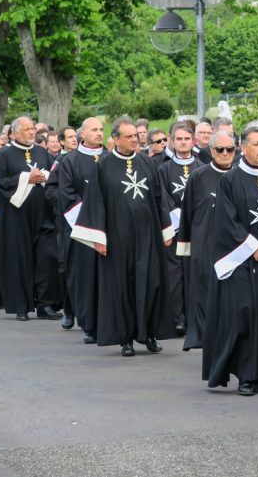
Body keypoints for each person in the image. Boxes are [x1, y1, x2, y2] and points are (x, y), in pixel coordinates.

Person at [71, 117, 176, 356]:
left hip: (148, 236)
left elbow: (160, 199)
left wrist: (165, 230)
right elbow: (95, 203)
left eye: (136, 137)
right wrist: (98, 237)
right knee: (123, 287)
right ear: (115, 139)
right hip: (118, 239)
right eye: (129, 137)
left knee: (151, 284)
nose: (135, 141)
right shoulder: (103, 165)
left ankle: (149, 333)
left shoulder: (147, 163)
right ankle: (125, 338)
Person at [202, 123, 258, 395]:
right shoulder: (230, 181)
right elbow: (227, 221)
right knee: (245, 316)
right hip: (244, 260)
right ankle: (246, 376)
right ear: (243, 148)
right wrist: (254, 248)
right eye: (256, 144)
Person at [0, 117, 57, 321]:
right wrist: (26, 178)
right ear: (15, 133)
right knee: (19, 261)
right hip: (16, 218)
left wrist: (43, 177)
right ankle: (21, 305)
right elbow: (0, 183)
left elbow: (54, 176)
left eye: (33, 129)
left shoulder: (42, 152)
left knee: (47, 258)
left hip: (43, 215)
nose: (31, 132)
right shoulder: (4, 155)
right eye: (27, 129)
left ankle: (45, 305)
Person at [48, 117, 106, 342]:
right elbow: (66, 195)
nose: (99, 133)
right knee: (85, 279)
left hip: (108, 232)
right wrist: (90, 224)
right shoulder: (69, 161)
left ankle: (107, 321)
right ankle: (89, 324)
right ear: (83, 134)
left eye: (101, 129)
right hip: (81, 231)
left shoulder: (110, 158)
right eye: (94, 130)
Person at [177, 131, 236, 350]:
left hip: (232, 246)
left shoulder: (238, 176)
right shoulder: (198, 177)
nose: (225, 154)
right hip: (204, 243)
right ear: (212, 151)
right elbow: (188, 213)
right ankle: (204, 336)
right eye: (220, 149)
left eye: (229, 149)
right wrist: (186, 246)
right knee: (204, 292)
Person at [159, 122, 204, 335]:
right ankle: (178, 318)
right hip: (175, 229)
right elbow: (163, 198)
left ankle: (196, 317)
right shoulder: (163, 169)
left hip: (198, 231)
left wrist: (194, 220)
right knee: (175, 274)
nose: (183, 142)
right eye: (179, 139)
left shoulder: (202, 167)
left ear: (193, 141)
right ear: (172, 141)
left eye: (187, 138)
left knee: (194, 273)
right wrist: (180, 218)